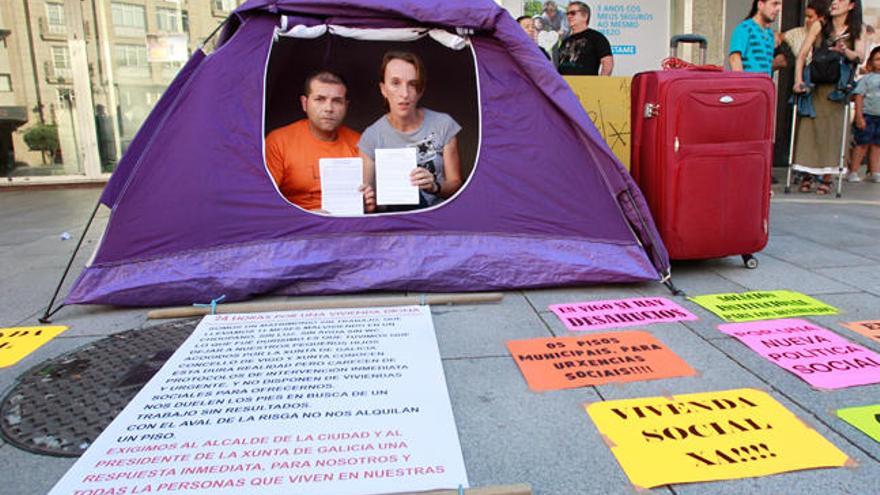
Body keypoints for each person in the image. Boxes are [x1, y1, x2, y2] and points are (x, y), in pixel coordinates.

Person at [359, 51, 463, 210]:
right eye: (395, 83)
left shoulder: (443, 124)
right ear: (383, 89)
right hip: (397, 222)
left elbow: (456, 184)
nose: (405, 93)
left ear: (420, 90)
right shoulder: (371, 137)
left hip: (439, 217)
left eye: (413, 84)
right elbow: (368, 197)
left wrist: (434, 187)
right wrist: (368, 203)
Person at [265, 71, 376, 212]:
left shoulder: (360, 143)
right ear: (305, 103)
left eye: (337, 101)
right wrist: (309, 217)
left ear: (346, 106)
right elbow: (263, 203)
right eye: (320, 99)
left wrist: (366, 204)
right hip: (295, 227)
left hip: (347, 225)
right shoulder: (278, 141)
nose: (329, 108)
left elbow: (365, 195)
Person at [795, 0, 865, 193]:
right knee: (809, 127)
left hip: (837, 88)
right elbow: (802, 54)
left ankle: (827, 177)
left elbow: (860, 56)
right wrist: (797, 79)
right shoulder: (820, 24)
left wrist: (845, 51)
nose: (835, 3)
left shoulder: (857, 29)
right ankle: (806, 174)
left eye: (841, 0)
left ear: (851, 5)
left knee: (833, 132)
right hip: (816, 83)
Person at [849, 45, 880, 182]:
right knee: (862, 143)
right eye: (878, 59)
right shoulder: (867, 79)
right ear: (871, 62)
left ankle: (875, 171)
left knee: (877, 145)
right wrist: (859, 115)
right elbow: (859, 96)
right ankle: (853, 171)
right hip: (867, 115)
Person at [557, 2, 613, 76]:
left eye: (573, 13)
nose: (569, 16)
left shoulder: (597, 37)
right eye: (567, 14)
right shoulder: (565, 41)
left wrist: (600, 85)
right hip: (564, 86)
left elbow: (607, 63)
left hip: (587, 86)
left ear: (585, 16)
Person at [729, 0, 783, 75]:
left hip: (764, 85)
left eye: (779, 4)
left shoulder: (770, 34)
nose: (778, 8)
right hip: (749, 84)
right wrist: (742, 84)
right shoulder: (745, 28)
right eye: (774, 4)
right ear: (760, 5)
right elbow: (734, 59)